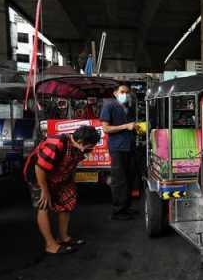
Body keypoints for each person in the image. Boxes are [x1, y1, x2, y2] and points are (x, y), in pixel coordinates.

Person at [23, 125, 100, 255]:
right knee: (44, 205)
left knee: (68, 201)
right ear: (81, 142)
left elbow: (72, 165)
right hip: (38, 176)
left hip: (60, 176)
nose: (91, 149)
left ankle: (63, 237)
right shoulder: (57, 143)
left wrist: (71, 182)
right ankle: (50, 244)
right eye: (90, 146)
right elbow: (40, 167)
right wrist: (45, 190)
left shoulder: (79, 148)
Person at [100, 84, 138, 220]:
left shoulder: (128, 106)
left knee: (129, 178)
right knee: (119, 180)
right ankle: (118, 212)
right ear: (115, 93)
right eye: (122, 92)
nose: (125, 95)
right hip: (117, 148)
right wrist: (126, 126)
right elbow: (106, 129)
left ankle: (126, 207)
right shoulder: (109, 106)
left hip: (129, 146)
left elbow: (130, 126)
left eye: (127, 93)